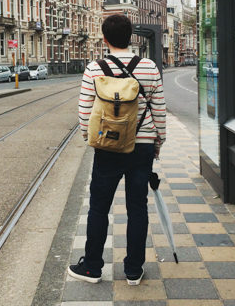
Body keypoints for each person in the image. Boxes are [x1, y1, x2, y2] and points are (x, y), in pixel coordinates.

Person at [69, 14, 166, 286]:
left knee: (99, 208)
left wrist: (94, 140)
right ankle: (133, 270)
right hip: (142, 146)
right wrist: (158, 142)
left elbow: (85, 113)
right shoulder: (149, 67)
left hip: (108, 147)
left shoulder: (94, 68)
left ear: (105, 38)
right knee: (137, 208)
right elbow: (159, 109)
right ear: (132, 36)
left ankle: (92, 267)